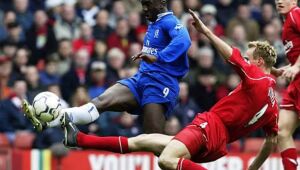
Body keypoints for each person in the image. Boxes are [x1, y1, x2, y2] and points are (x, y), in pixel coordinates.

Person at [62, 10, 278, 170]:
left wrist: (205, 32)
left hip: (210, 128)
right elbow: (271, 141)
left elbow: (230, 54)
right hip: (217, 142)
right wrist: (252, 169)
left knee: (165, 160)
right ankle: (77, 139)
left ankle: (78, 138)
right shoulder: (273, 106)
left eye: (249, 58)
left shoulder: (256, 76)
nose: (246, 60)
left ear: (259, 61)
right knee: (144, 141)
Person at [22, 0, 191, 133]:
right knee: (100, 102)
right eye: (142, 4)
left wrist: (158, 58)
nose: (144, 9)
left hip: (161, 84)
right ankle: (50, 121)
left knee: (154, 141)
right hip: (141, 79)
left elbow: (184, 40)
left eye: (148, 3)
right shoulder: (154, 23)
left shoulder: (170, 22)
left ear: (161, 2)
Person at [250, 1, 300, 170]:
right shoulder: (287, 22)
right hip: (295, 84)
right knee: (283, 132)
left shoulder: (295, 14)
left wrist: (297, 67)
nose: (279, 1)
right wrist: (286, 68)